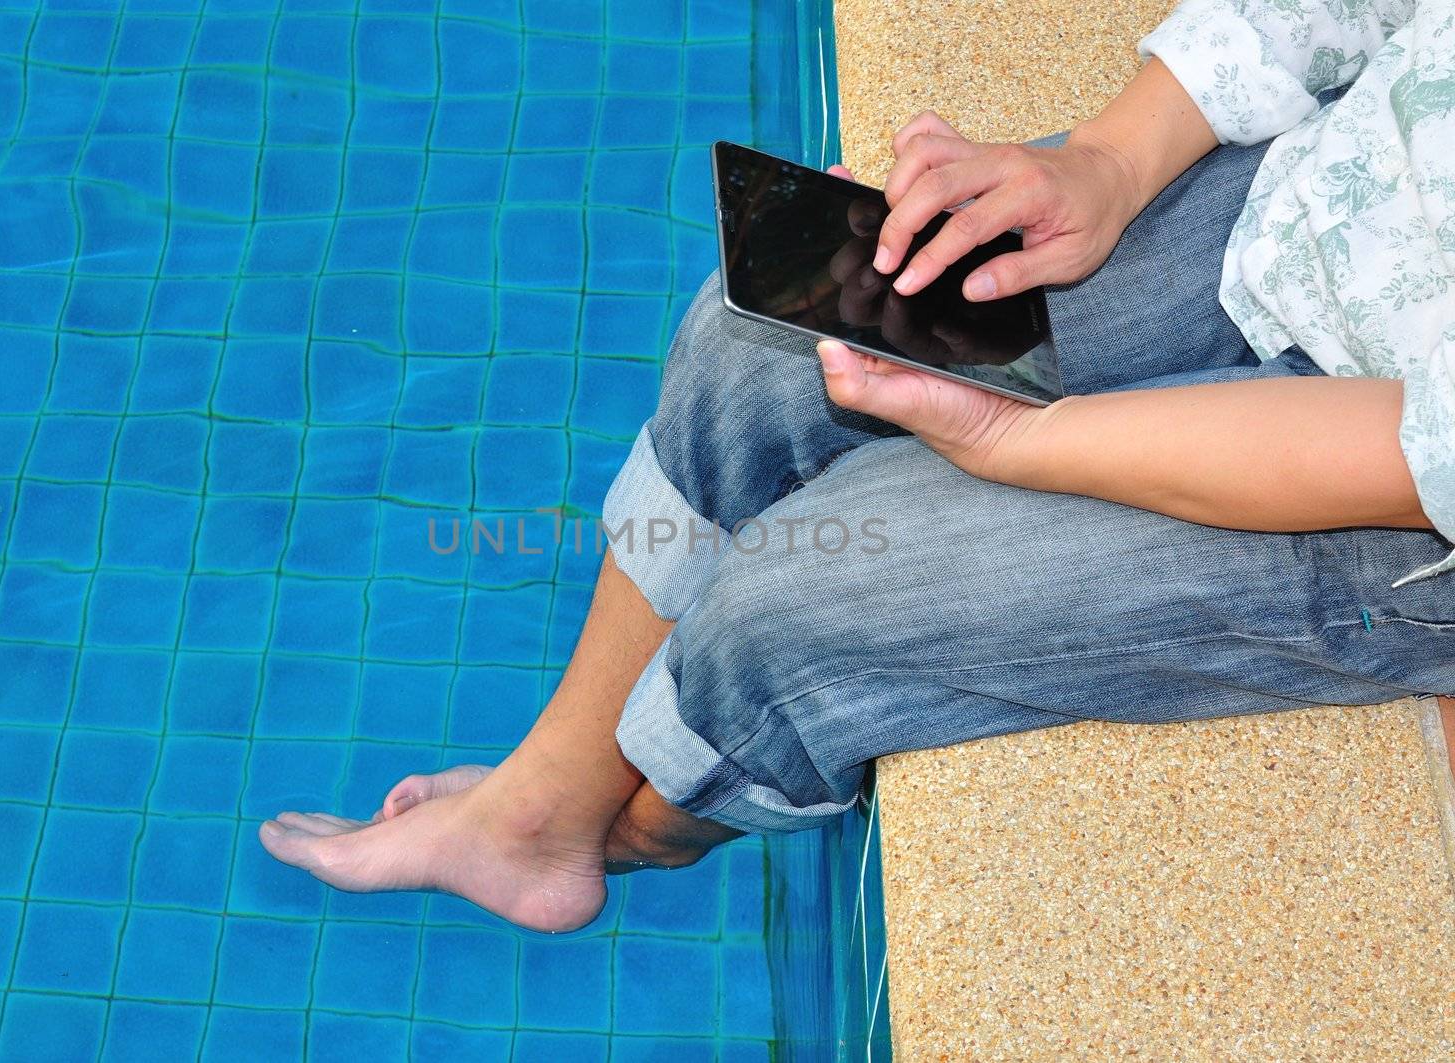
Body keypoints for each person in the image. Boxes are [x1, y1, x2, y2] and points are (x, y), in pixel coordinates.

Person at [260, 0, 1455, 932]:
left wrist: (1023, 440)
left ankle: (641, 830)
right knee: (765, 334)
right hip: (1333, 209)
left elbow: (1418, 448)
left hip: (1407, 483)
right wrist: (1106, 160)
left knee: (807, 583)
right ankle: (547, 802)